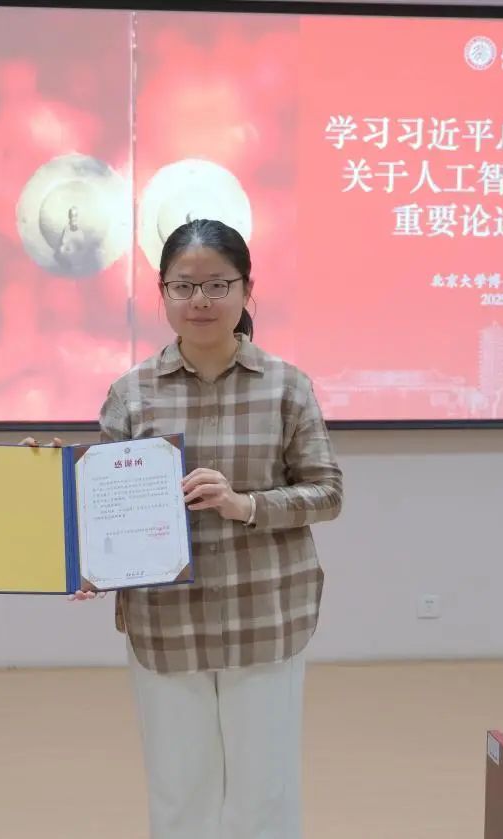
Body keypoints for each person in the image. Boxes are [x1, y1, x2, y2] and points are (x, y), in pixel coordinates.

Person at [82, 219, 344, 839]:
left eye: (217, 284)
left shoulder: (287, 386)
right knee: (179, 791)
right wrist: (81, 552)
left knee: (264, 791)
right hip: (165, 620)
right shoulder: (131, 393)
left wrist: (243, 504)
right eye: (184, 286)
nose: (200, 300)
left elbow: (328, 492)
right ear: (162, 292)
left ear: (247, 289)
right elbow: (99, 503)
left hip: (266, 613)